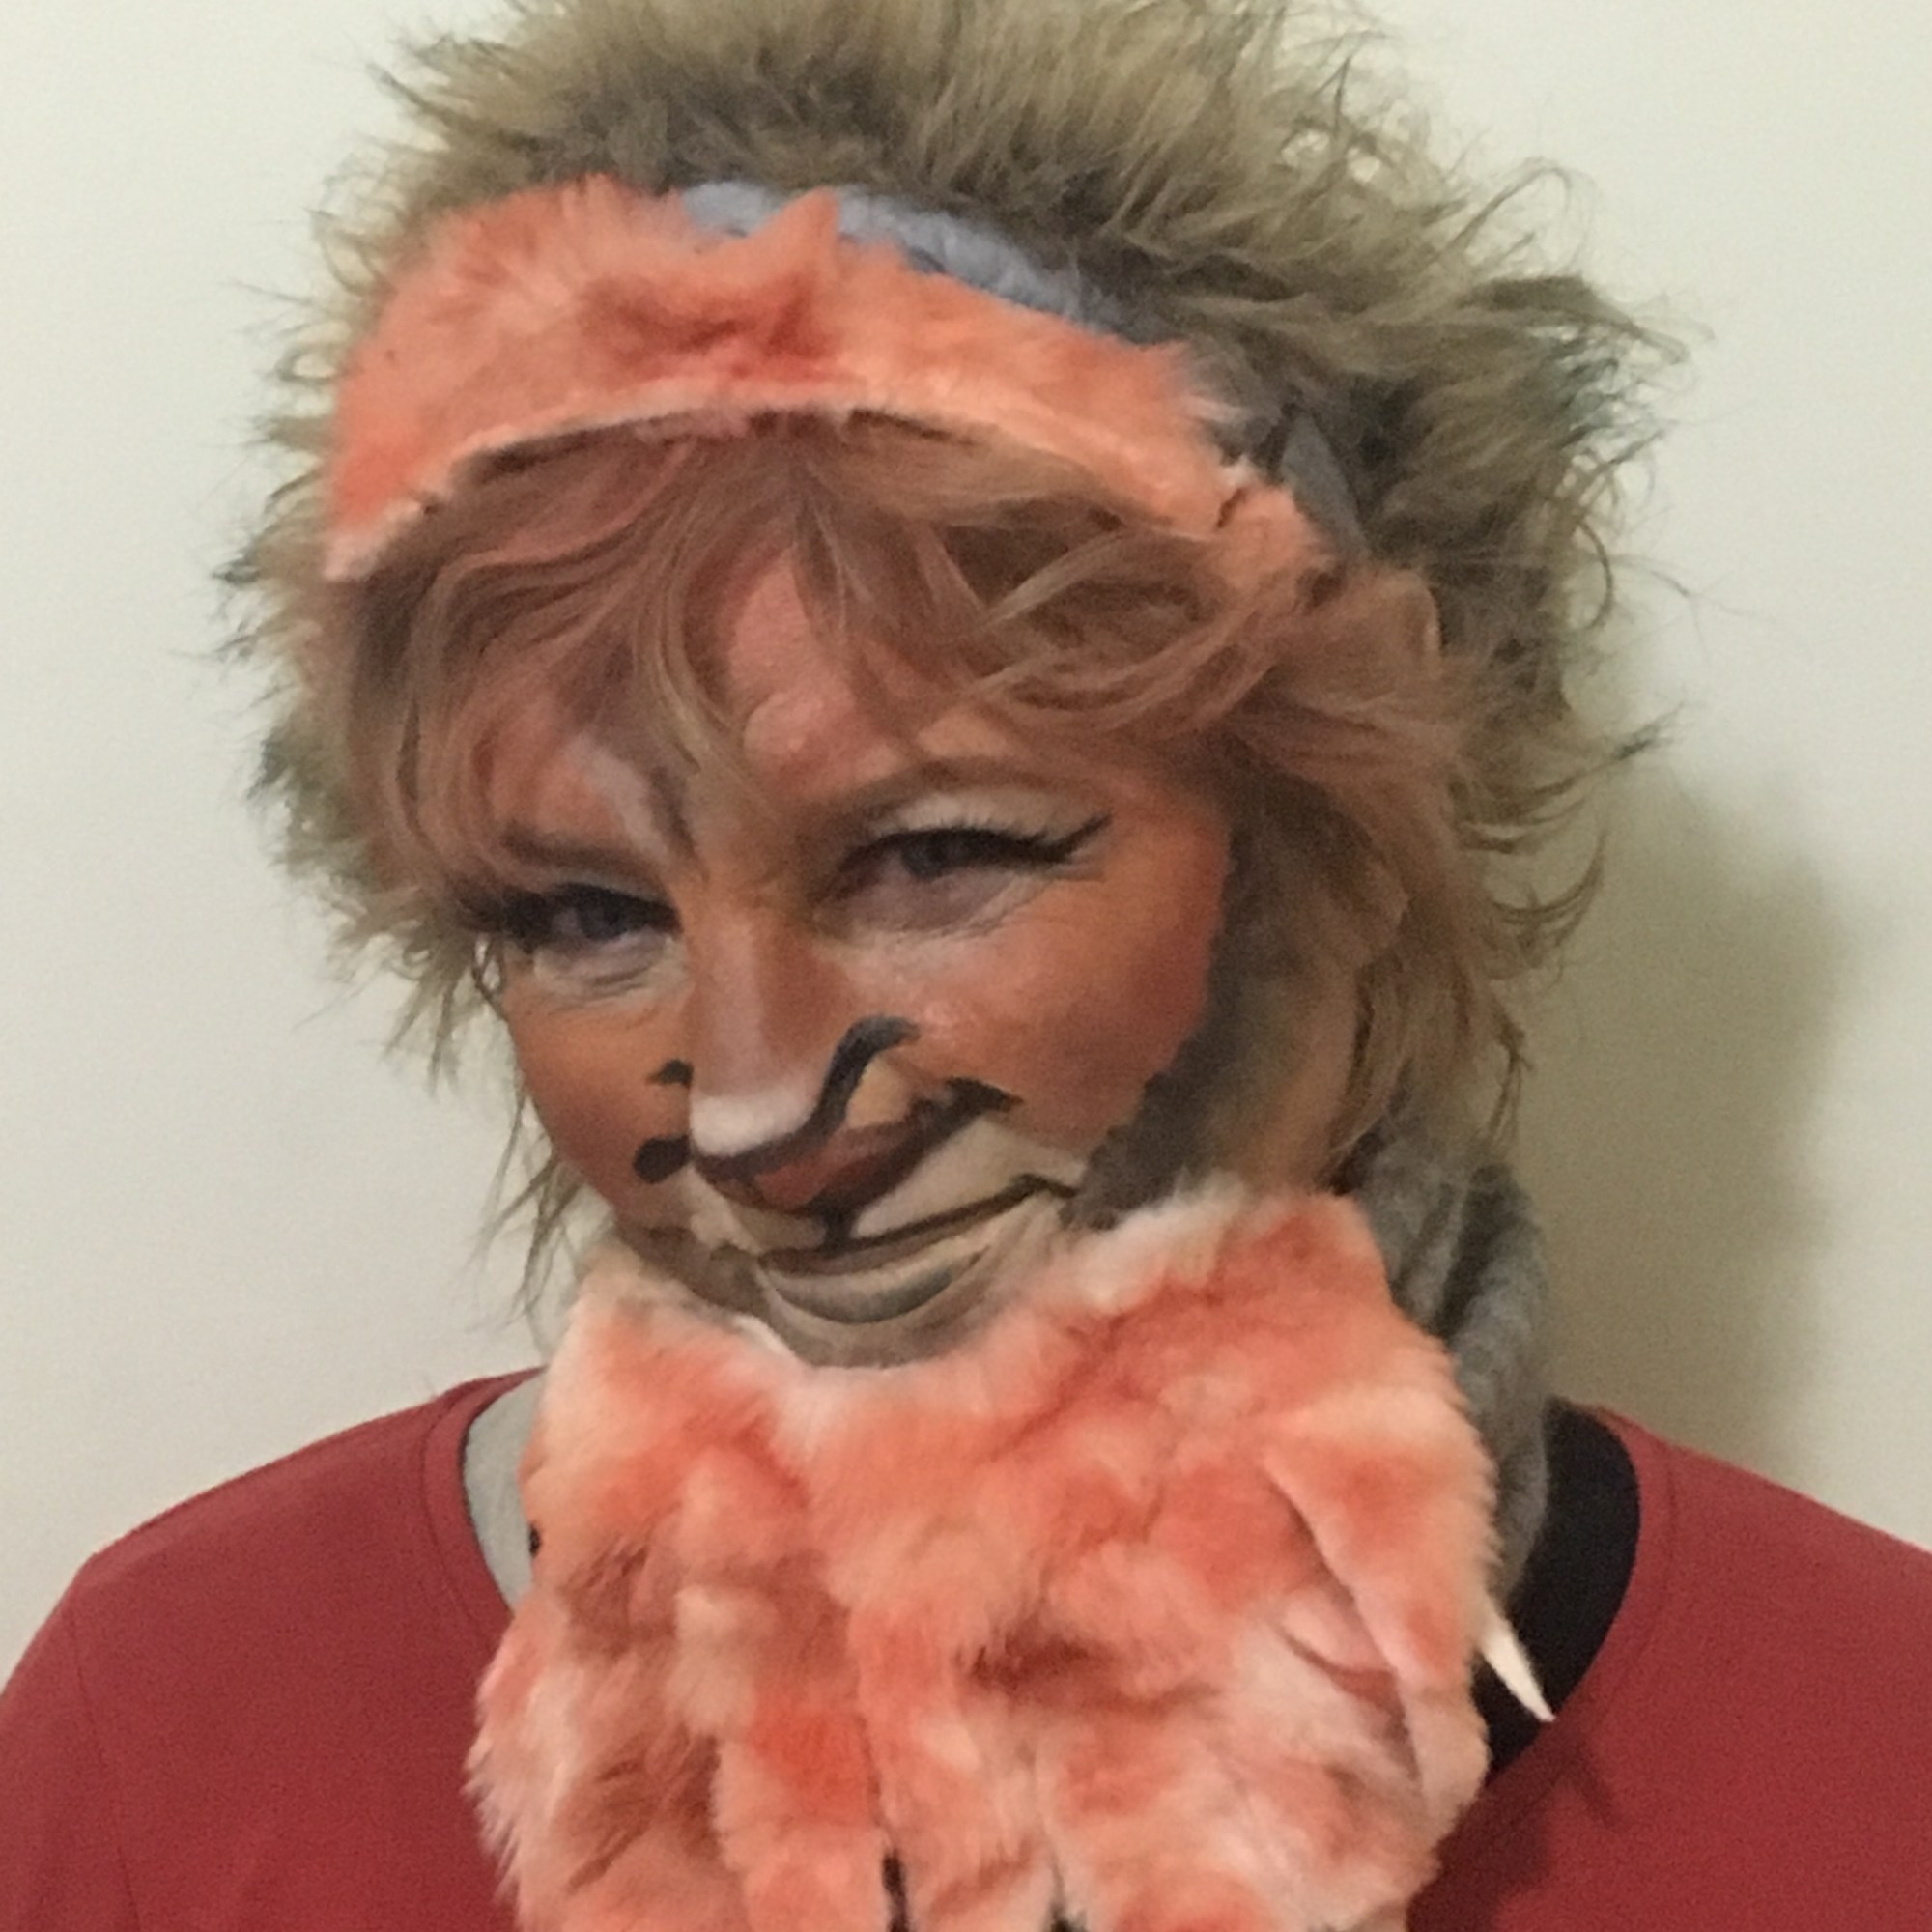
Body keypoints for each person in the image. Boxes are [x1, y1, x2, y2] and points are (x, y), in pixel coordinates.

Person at [3, 0, 1928, 1926]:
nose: (759, 1114)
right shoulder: (180, 1726)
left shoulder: (1874, 1760)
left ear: (1355, 815)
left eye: (932, 857)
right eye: (586, 917)